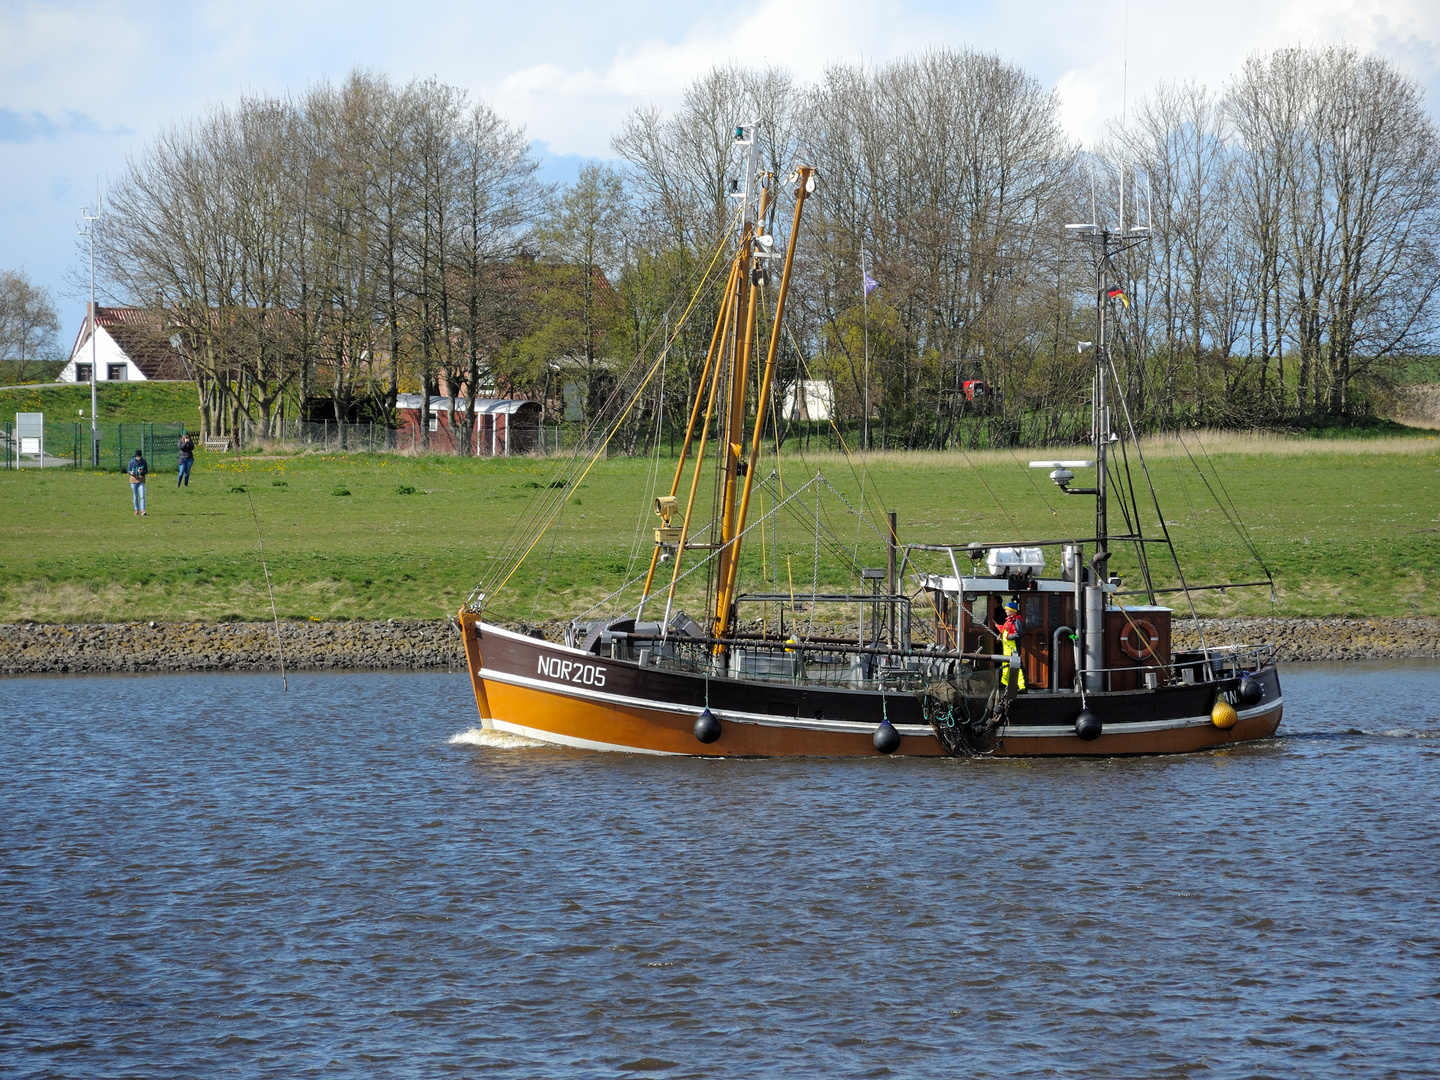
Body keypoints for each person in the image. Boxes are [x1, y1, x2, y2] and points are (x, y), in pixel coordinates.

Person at [996, 597, 1026, 693]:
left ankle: (1022, 687)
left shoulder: (1016, 621)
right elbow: (1005, 630)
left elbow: (1018, 633)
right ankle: (1004, 682)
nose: (1005, 611)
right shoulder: (1009, 620)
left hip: (1013, 647)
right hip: (1007, 648)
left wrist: (1008, 637)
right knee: (1006, 664)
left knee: (1017, 666)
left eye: (1007, 609)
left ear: (1012, 611)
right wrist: (997, 627)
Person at [128, 449, 148, 516]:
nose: (138, 458)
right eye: (137, 456)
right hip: (133, 481)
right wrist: (131, 472)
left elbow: (146, 471)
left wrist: (142, 471)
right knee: (135, 496)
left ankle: (143, 510)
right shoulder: (132, 461)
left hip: (141, 480)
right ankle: (136, 509)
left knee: (142, 496)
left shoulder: (144, 462)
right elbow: (128, 470)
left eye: (139, 456)